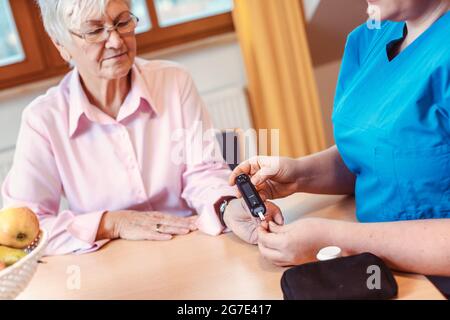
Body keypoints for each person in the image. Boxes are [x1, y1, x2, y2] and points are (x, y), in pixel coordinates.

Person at [1, 0, 281, 255]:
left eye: (122, 22)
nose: (115, 41)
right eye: (94, 31)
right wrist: (111, 223)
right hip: (111, 266)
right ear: (60, 44)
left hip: (192, 246)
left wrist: (227, 208)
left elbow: (203, 173)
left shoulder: (174, 81)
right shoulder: (43, 119)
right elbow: (23, 230)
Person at [225, 0, 450, 276]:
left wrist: (337, 239)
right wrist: (298, 174)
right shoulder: (368, 38)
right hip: (379, 269)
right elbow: (384, 155)